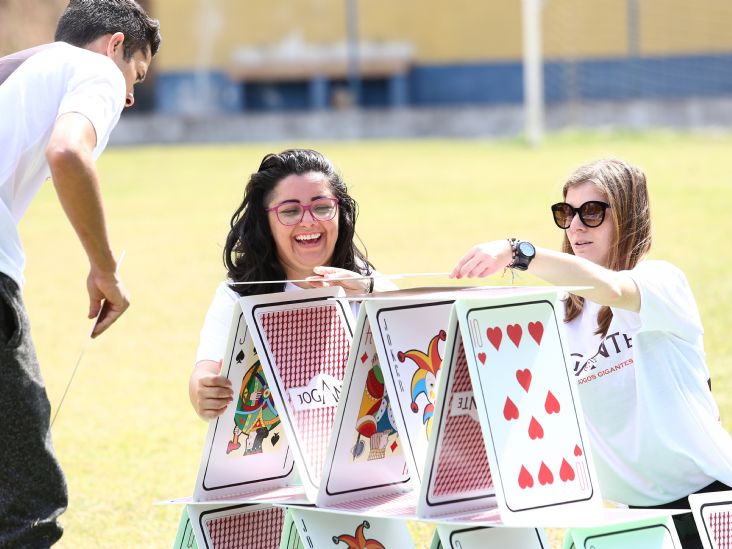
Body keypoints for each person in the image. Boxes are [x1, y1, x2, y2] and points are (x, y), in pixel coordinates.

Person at [451, 158, 732, 548]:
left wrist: (519, 252)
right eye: (566, 213)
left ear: (628, 216)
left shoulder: (664, 282)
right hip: (633, 515)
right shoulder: (558, 312)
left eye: (593, 212)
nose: (576, 225)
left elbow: (612, 290)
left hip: (712, 500)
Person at [0, 1, 161, 546]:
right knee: (23, 489)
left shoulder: (25, 68)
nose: (130, 95)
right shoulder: (95, 70)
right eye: (135, 73)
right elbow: (68, 152)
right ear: (115, 44)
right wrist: (105, 268)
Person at [189, 149, 393, 421]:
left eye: (322, 207)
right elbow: (206, 370)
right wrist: (203, 391)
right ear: (266, 223)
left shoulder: (367, 283)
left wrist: (369, 289)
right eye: (290, 211)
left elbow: (428, 330)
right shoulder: (239, 294)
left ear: (339, 212)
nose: (308, 221)